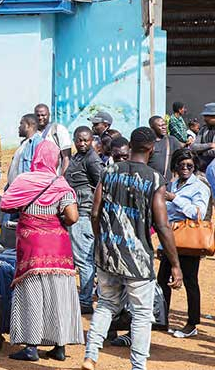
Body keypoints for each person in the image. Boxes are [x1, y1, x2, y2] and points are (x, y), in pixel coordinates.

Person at [83, 127, 183, 370]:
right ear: (151, 149)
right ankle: (138, 366)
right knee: (141, 314)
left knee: (106, 304)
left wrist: (102, 241)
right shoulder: (154, 179)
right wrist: (176, 265)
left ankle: (90, 355)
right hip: (137, 258)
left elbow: (95, 212)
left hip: (108, 254)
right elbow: (162, 224)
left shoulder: (108, 172)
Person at [0, 141, 83, 362]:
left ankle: (31, 348)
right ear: (55, 160)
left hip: (32, 246)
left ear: (36, 158)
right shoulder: (61, 183)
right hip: (58, 247)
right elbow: (73, 217)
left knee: (32, 294)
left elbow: (6, 204)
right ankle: (60, 347)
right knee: (59, 294)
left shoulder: (24, 180)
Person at [157, 149, 211, 339]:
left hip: (189, 240)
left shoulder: (200, 187)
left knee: (190, 281)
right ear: (176, 166)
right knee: (162, 280)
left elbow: (198, 213)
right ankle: (161, 320)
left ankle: (192, 323)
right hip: (170, 240)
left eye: (189, 165)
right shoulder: (173, 183)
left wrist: (175, 199)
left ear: (194, 166)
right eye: (182, 165)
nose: (185, 168)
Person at [64, 126, 104, 315]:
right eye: (79, 140)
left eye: (86, 140)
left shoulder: (92, 159)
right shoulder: (77, 157)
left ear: (91, 140)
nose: (82, 143)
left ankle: (85, 301)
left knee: (83, 260)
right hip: (74, 213)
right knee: (77, 257)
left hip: (83, 214)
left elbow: (102, 185)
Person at [7, 114, 43, 187]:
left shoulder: (38, 143)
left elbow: (39, 171)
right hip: (16, 189)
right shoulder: (23, 144)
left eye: (21, 124)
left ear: (28, 126)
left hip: (26, 189)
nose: (19, 127)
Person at [35, 104, 72, 173]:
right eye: (38, 115)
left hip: (54, 177)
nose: (40, 118)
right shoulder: (33, 134)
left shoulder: (58, 130)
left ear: (49, 115)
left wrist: (62, 178)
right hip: (36, 178)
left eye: (43, 115)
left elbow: (66, 157)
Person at [148, 115, 182, 182]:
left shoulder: (172, 141)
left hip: (168, 182)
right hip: (151, 181)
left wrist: (176, 176)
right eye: (160, 126)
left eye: (164, 125)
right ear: (152, 127)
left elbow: (180, 159)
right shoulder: (148, 142)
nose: (164, 127)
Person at [190, 103, 215, 172]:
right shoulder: (203, 129)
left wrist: (202, 151)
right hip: (203, 169)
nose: (204, 119)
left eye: (207, 116)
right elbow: (193, 147)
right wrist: (210, 145)